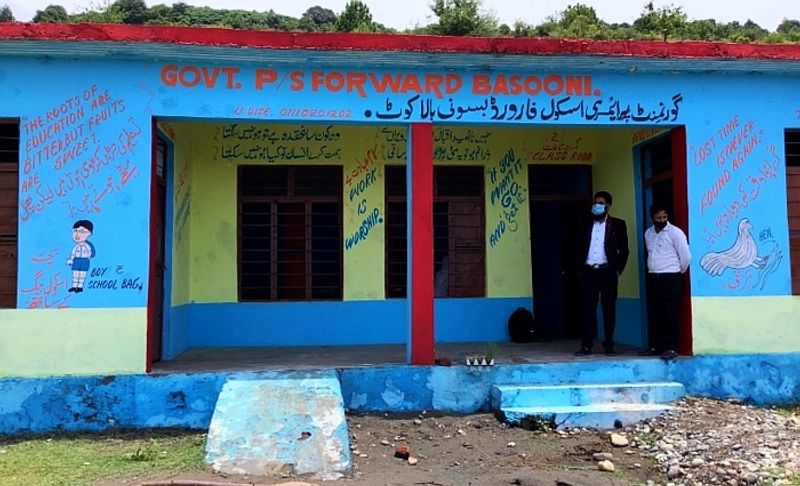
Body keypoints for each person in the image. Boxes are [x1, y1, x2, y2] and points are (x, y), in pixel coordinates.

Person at [575, 191, 629, 356]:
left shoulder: (618, 225)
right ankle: (586, 345)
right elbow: (576, 247)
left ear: (608, 206)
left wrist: (617, 269)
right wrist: (579, 269)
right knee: (587, 309)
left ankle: (608, 344)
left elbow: (624, 250)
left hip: (607, 272)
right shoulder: (585, 223)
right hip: (589, 271)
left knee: (609, 309)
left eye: (600, 203)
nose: (596, 205)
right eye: (595, 202)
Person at [639, 202, 691, 360]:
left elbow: (686, 256)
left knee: (670, 313)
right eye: (658, 217)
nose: (661, 220)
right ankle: (655, 346)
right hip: (654, 276)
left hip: (671, 276)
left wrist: (678, 271)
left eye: (664, 217)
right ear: (652, 217)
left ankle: (671, 347)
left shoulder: (675, 233)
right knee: (654, 312)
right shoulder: (648, 233)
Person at [67, 219, 95, 293]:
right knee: (75, 274)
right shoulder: (76, 247)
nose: (77, 234)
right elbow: (73, 254)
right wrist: (71, 260)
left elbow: (90, 253)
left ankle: (80, 287)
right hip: (76, 260)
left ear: (90, 233)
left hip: (84, 261)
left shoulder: (88, 246)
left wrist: (88, 258)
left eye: (82, 231)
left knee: (82, 275)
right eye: (75, 231)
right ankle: (74, 286)